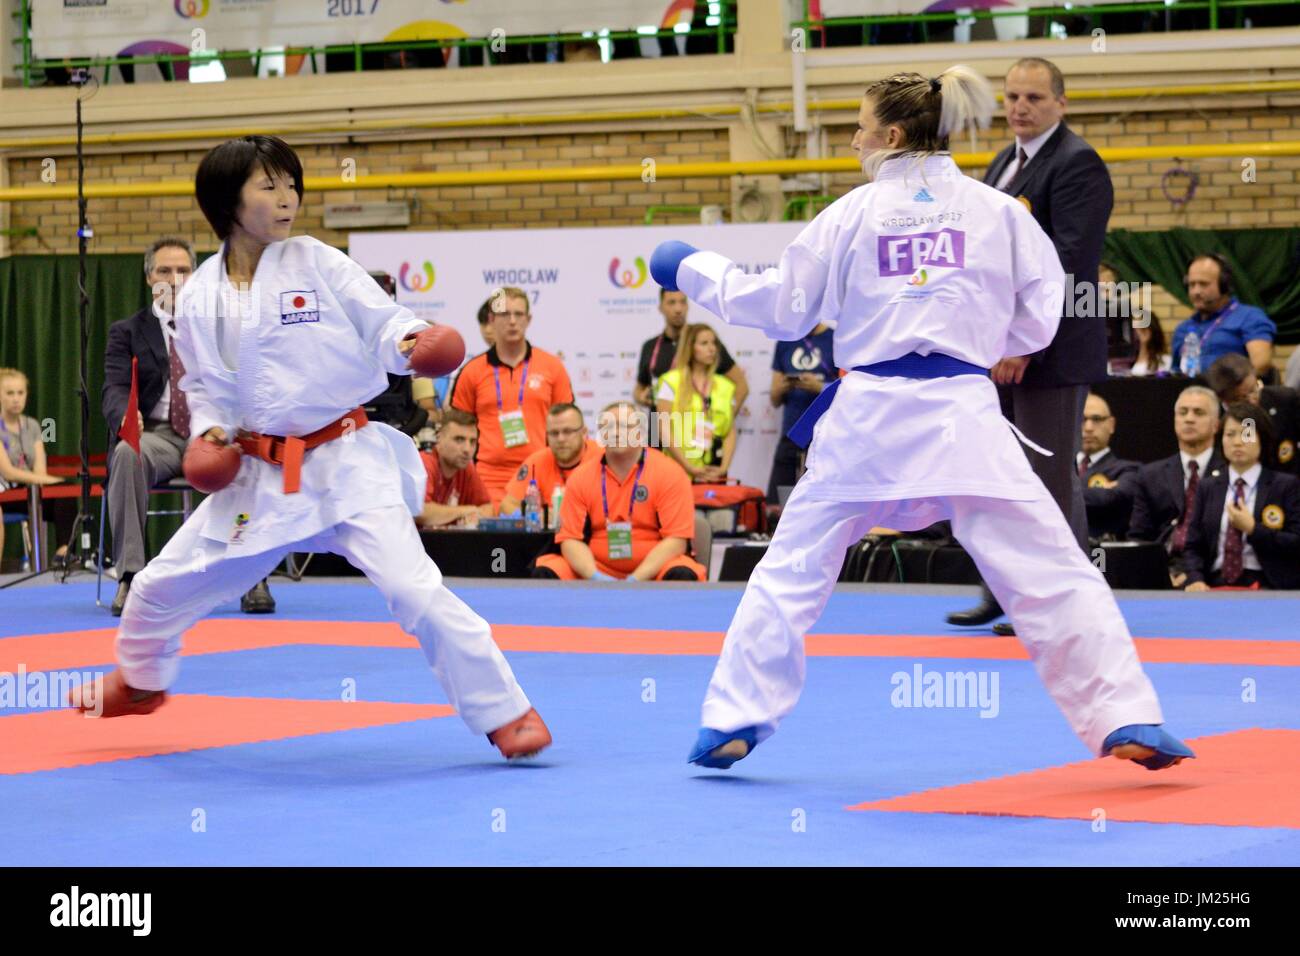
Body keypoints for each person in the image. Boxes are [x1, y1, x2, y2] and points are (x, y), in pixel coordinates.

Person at [649, 66, 1192, 772]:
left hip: (867, 424)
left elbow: (780, 305)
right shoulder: (998, 210)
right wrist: (989, 340)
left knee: (790, 571)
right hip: (965, 419)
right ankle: (1126, 715)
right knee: (1054, 570)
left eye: (859, 126)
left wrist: (691, 268)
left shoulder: (853, 213)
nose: (852, 139)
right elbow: (1041, 315)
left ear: (893, 135)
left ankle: (735, 716)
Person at [72, 135, 550, 761]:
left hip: (345, 460)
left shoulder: (317, 262)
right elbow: (206, 387)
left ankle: (505, 712)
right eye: (268, 186)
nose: (287, 197)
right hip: (259, 475)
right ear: (227, 202)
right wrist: (212, 433)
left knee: (414, 588)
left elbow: (380, 320)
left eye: (291, 184)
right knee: (160, 584)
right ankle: (140, 680)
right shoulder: (200, 294)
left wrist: (412, 342)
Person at [949, 56, 1113, 633]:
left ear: (1060, 104)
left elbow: (1067, 267)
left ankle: (1065, 603)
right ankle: (1005, 589)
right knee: (998, 476)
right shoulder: (1001, 163)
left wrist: (1023, 345)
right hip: (996, 351)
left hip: (1051, 352)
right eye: (1013, 97)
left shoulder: (1077, 165)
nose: (1020, 107)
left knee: (1047, 477)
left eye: (1034, 99)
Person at [102, 237, 275, 616]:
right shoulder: (126, 332)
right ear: (150, 277)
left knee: (252, 459)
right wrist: (126, 419)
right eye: (165, 270)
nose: (175, 279)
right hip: (158, 435)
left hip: (212, 432)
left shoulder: (222, 324)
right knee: (125, 453)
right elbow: (114, 388)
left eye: (183, 271)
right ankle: (131, 577)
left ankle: (253, 576)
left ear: (196, 276)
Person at [533, 401, 706, 582]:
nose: (616, 432)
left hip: (655, 569)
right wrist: (594, 576)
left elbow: (677, 541)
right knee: (547, 570)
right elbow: (569, 539)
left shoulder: (670, 473)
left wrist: (636, 579)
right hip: (595, 569)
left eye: (625, 426)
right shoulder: (580, 477)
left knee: (682, 572)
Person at [448, 287, 574, 507]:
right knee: (495, 542)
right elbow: (458, 429)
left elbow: (566, 425)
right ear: (491, 319)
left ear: (529, 319)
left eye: (519, 314)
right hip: (487, 478)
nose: (513, 321)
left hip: (540, 474)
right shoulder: (472, 371)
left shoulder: (552, 367)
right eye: (505, 314)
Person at [1181, 402, 1300, 590]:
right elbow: (1192, 545)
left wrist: (1254, 529)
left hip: (1268, 585)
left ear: (1263, 439)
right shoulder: (1208, 486)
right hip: (1214, 584)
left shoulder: (1285, 485)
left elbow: (1295, 542)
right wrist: (1196, 578)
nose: (1238, 441)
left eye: (1247, 433)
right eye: (1230, 434)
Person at [1127, 386, 1226, 586]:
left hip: (1210, 575)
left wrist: (1193, 575)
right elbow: (1139, 536)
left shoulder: (1229, 474)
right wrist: (1161, 573)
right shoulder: (1150, 475)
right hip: (1159, 573)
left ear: (1216, 425)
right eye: (1183, 412)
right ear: (1174, 421)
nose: (1189, 419)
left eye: (1198, 413)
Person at [635, 287, 748, 420]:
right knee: (655, 436)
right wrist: (641, 397)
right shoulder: (650, 346)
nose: (678, 309)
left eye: (683, 302)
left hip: (692, 430)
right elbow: (639, 388)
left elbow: (742, 386)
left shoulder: (706, 343)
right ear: (661, 307)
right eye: (671, 302)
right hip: (656, 422)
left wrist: (722, 425)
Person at [0, 368, 71, 565]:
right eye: (10, 393)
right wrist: (49, 480)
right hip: (5, 493)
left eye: (20, 393)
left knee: (65, 491)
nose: (16, 399)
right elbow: (9, 472)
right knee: (59, 485)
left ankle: (63, 552)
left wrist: (51, 482)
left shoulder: (32, 425)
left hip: (29, 490)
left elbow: (40, 468)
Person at [654, 323, 737, 483]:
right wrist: (688, 466)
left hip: (713, 471)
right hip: (677, 471)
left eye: (714, 343)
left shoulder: (725, 386)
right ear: (690, 347)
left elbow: (730, 432)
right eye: (704, 343)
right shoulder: (671, 382)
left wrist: (723, 468)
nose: (711, 348)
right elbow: (663, 428)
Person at [1170, 253, 1275, 378]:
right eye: (1192, 285)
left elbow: (1261, 365)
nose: (1196, 291)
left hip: (1231, 394)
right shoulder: (1183, 329)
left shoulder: (1250, 317)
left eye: (1204, 284)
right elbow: (1175, 373)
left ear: (1224, 285)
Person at [767, 322, 836, 503]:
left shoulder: (836, 339)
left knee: (820, 502)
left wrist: (819, 387)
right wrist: (783, 387)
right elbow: (774, 399)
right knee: (777, 503)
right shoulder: (785, 341)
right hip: (791, 433)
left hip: (824, 435)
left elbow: (848, 390)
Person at [498, 403, 602, 521]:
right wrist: (537, 517)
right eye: (554, 433)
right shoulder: (536, 461)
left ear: (584, 433)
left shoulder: (603, 458)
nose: (561, 439)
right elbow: (506, 506)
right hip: (551, 535)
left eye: (567, 431)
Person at [1205, 352, 1299, 475]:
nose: (1253, 399)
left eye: (1254, 388)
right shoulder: (1212, 418)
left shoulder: (1284, 400)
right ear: (1224, 399)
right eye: (1243, 398)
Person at [1077, 393, 1140, 540]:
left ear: (1111, 425)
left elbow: (1112, 498)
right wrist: (1095, 492)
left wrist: (1057, 491)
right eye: (1082, 419)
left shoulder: (1129, 470)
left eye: (1097, 419)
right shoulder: (1060, 466)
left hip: (1100, 550)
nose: (1089, 427)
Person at [417, 409, 493, 529]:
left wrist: (473, 517)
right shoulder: (425, 462)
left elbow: (487, 508)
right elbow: (421, 511)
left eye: (472, 441)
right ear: (439, 438)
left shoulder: (467, 468)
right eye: (459, 439)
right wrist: (466, 511)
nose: (467, 449)